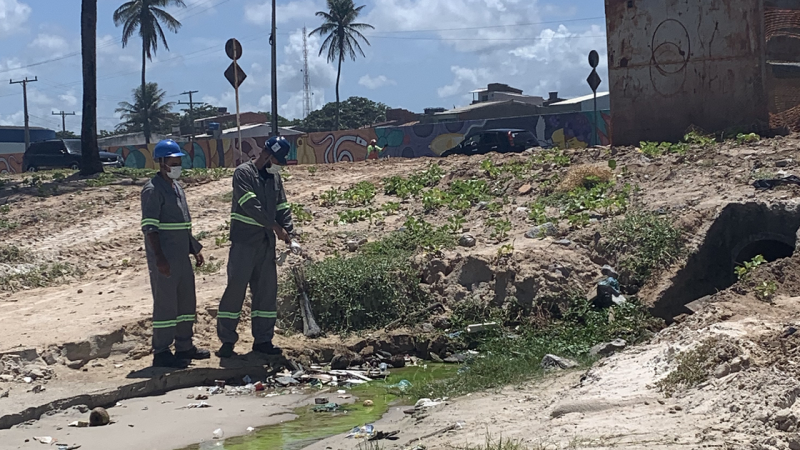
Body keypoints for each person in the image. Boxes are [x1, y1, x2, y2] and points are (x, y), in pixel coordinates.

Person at [216, 136, 297, 358]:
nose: (278, 164)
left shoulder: (274, 177)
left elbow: (282, 206)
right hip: (244, 242)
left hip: (265, 244)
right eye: (277, 159)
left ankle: (263, 340)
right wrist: (275, 227)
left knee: (266, 293)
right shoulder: (243, 173)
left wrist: (290, 232)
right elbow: (251, 205)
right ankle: (227, 341)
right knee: (235, 291)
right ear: (267, 154)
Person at [140, 139, 210, 368]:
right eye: (173, 162)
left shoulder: (177, 187)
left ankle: (184, 346)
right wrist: (159, 258)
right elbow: (150, 227)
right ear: (161, 163)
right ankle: (161, 351)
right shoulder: (152, 190)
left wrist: (194, 248)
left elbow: (182, 223)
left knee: (186, 302)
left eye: (179, 161)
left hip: (182, 255)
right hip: (166, 258)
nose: (177, 165)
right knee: (166, 305)